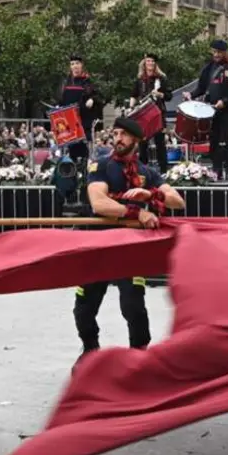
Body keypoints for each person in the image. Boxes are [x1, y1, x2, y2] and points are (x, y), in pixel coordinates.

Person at [78, 117, 185, 361]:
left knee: (134, 306)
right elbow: (99, 203)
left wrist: (152, 194)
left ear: (136, 140)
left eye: (124, 135)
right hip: (98, 245)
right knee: (84, 304)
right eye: (115, 134)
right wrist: (138, 212)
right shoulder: (101, 166)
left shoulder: (147, 172)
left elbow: (178, 201)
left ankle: (138, 356)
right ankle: (89, 350)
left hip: (129, 248)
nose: (118, 139)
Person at [186, 40, 228, 181]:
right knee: (214, 141)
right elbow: (201, 88)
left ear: (224, 53)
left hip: (227, 111)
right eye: (214, 52)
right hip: (211, 111)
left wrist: (225, 101)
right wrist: (191, 94)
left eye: (219, 52)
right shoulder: (208, 68)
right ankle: (216, 168)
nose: (216, 55)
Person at [130, 53, 172, 173]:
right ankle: (143, 172)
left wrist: (160, 94)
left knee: (160, 144)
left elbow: (169, 96)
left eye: (153, 61)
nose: (150, 63)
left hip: (157, 113)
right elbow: (134, 95)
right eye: (148, 61)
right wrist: (131, 107)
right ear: (145, 63)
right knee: (143, 144)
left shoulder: (161, 78)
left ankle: (163, 171)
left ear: (155, 64)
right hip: (144, 114)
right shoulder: (140, 79)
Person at [57, 56, 103, 163]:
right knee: (71, 151)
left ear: (81, 65)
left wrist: (92, 99)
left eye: (77, 63)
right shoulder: (66, 82)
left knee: (84, 151)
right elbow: (60, 100)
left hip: (84, 121)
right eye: (72, 64)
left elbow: (98, 97)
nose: (75, 66)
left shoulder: (87, 81)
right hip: (69, 122)